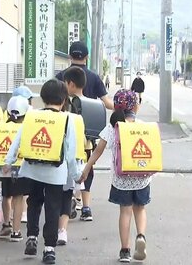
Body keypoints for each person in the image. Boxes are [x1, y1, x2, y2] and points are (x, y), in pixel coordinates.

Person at [4, 79, 79, 264]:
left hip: (32, 170)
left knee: (34, 203)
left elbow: (18, 140)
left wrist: (8, 161)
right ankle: (49, 249)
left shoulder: (31, 116)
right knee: (53, 208)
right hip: (56, 174)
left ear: (43, 98)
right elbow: (70, 152)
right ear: (63, 100)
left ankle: (31, 237)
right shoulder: (66, 119)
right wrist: (76, 175)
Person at [78, 89, 150, 263]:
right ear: (136, 107)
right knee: (139, 209)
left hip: (121, 179)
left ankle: (125, 251)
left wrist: (86, 168)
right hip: (142, 177)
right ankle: (141, 236)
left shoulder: (113, 127)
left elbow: (98, 151)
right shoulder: (142, 126)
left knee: (125, 212)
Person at [56, 41, 114, 221]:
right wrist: (125, 110)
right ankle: (86, 207)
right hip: (87, 135)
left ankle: (66, 203)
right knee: (87, 167)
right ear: (86, 57)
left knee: (64, 167)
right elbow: (107, 103)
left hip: (63, 131)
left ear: (69, 56)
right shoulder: (94, 78)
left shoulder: (60, 76)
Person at [0, 96, 31, 241]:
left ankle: (6, 224)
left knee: (6, 195)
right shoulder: (25, 128)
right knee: (18, 197)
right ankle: (16, 232)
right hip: (19, 167)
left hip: (0, 167)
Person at [57, 66, 88, 245]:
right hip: (75, 159)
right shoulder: (83, 110)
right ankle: (62, 231)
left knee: (54, 197)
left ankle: (53, 231)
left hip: (55, 160)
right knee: (67, 195)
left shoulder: (60, 114)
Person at [11, 85, 39, 223]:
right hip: (26, 156)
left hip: (11, 160)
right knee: (25, 188)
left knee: (14, 190)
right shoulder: (32, 114)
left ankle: (15, 214)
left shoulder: (9, 113)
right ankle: (22, 213)